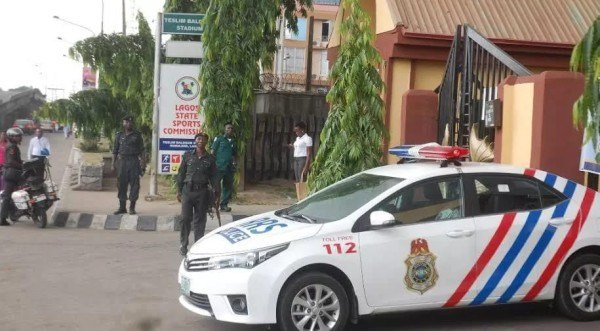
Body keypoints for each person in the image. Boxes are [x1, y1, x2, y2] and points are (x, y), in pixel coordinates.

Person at [177, 133, 219, 256]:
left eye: (203, 139)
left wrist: (216, 194)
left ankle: (197, 246)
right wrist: (179, 191)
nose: (201, 141)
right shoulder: (187, 156)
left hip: (202, 192)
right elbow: (181, 174)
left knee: (200, 220)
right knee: (185, 219)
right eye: (198, 139)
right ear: (195, 141)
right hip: (187, 191)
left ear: (206, 142)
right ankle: (183, 245)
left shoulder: (210, 159)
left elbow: (214, 177)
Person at [112, 115, 145, 215]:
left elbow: (142, 151)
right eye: (126, 122)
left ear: (132, 123)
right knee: (121, 185)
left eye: (130, 122)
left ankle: (132, 208)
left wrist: (143, 165)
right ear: (123, 123)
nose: (128, 124)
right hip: (122, 162)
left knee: (135, 185)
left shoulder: (137, 135)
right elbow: (115, 150)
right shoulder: (119, 135)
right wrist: (113, 164)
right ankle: (122, 207)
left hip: (134, 162)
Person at [0, 128, 24, 226]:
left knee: (12, 195)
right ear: (12, 137)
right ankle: (2, 218)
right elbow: (10, 161)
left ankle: (13, 214)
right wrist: (22, 166)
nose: (20, 138)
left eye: (20, 136)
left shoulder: (12, 146)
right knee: (8, 196)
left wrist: (23, 162)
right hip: (11, 173)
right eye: (18, 136)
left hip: (11, 172)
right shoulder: (12, 147)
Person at [211, 123, 237, 212]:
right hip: (219, 167)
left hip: (229, 168)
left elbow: (234, 154)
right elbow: (212, 152)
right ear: (225, 129)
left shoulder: (233, 141)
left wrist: (234, 163)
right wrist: (212, 164)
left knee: (227, 186)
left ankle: (224, 205)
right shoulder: (219, 139)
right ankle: (211, 205)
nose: (230, 129)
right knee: (215, 186)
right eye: (228, 128)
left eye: (231, 128)